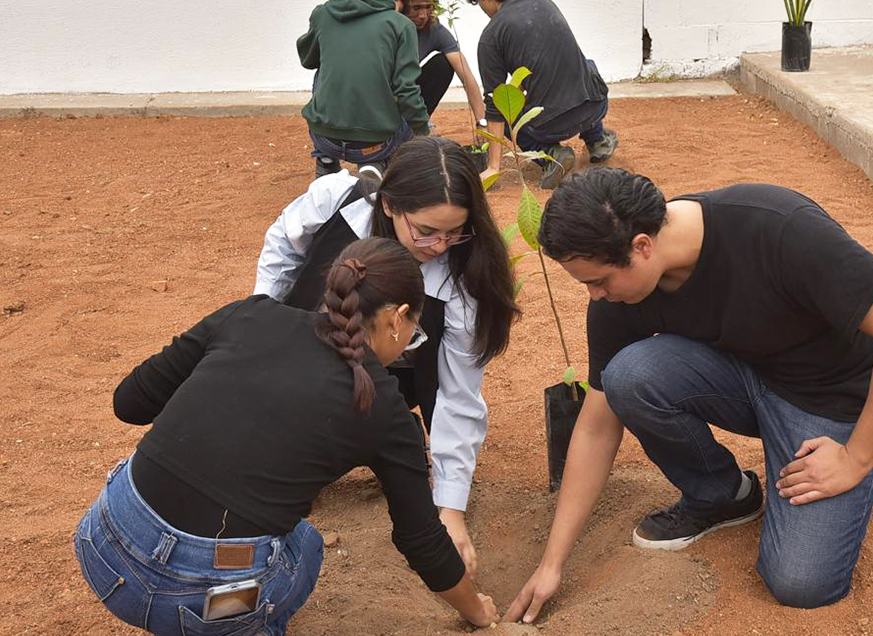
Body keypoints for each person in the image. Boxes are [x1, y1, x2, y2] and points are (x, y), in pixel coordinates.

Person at [506, 168, 873, 621]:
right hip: (746, 378)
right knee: (628, 375)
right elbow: (597, 426)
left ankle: (824, 462)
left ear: (641, 246)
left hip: (827, 398)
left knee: (801, 582)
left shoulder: (775, 226)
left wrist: (856, 457)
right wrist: (551, 565)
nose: (595, 297)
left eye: (597, 281)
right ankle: (722, 495)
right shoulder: (620, 299)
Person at [74, 238, 500, 636]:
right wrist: (476, 610)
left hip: (102, 551)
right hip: (199, 613)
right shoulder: (384, 408)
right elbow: (420, 539)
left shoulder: (248, 315)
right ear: (396, 317)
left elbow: (128, 402)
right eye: (413, 329)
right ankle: (251, 635)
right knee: (305, 545)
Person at [254, 136, 520, 577]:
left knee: (376, 401)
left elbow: (457, 393)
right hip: (313, 350)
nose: (439, 245)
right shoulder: (335, 204)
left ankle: (392, 427)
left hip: (398, 378)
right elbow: (282, 241)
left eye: (455, 231)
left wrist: (449, 508)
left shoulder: (462, 280)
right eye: (427, 230)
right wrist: (263, 313)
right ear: (392, 206)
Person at [470, 0, 619, 189]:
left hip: (551, 126)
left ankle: (551, 154)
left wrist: (493, 167)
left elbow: (494, 104)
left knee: (505, 110)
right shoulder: (544, 3)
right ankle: (597, 139)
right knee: (587, 64)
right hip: (594, 106)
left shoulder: (491, 36)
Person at [297, 0, 429, 178]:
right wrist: (423, 132)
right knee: (401, 103)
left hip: (325, 137)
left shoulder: (323, 14)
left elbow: (308, 60)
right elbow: (406, 91)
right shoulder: (401, 25)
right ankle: (374, 164)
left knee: (325, 70)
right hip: (374, 144)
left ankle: (325, 158)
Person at [401, 1, 487, 130]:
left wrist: (481, 122)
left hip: (406, 90)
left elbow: (466, 75)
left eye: (428, 7)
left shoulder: (434, 29)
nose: (423, 15)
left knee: (443, 64)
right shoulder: (389, 27)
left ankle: (416, 124)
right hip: (383, 92)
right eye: (416, 8)